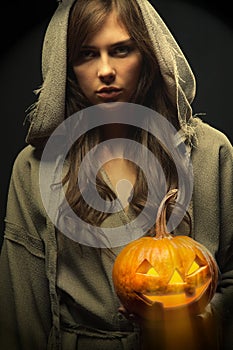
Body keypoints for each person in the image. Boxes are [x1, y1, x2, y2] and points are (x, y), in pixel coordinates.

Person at [0, 0, 232, 349]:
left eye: (121, 50)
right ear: (67, 65)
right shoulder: (35, 168)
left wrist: (199, 320)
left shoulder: (210, 153)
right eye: (87, 54)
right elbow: (21, 311)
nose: (105, 70)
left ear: (148, 54)